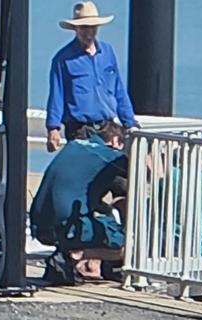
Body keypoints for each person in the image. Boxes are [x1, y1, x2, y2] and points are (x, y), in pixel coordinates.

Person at [29, 122, 128, 285]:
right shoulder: (107, 154)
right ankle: (73, 255)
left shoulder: (74, 146)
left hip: (39, 226)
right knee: (125, 245)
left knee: (97, 217)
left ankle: (62, 264)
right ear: (116, 141)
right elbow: (142, 171)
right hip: (66, 226)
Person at [45, 1, 137, 152]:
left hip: (107, 128)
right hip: (80, 130)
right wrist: (53, 128)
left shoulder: (107, 52)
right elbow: (57, 95)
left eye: (92, 27)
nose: (89, 32)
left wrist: (129, 122)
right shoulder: (63, 59)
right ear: (76, 29)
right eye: (84, 27)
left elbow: (119, 90)